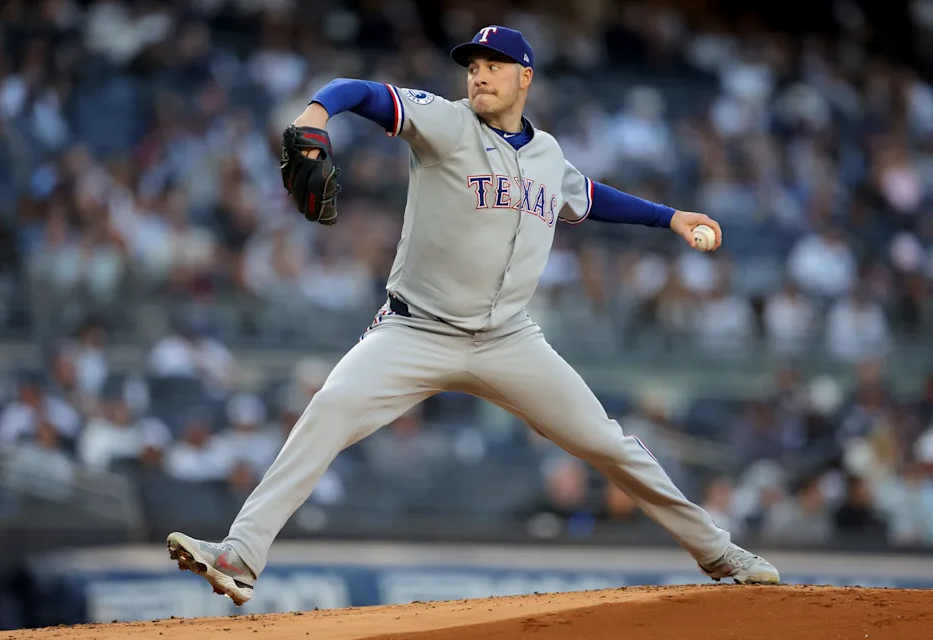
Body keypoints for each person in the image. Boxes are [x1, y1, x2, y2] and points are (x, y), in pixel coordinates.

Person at [168, 26, 779, 606]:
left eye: (494, 67)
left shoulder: (546, 154)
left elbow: (588, 196)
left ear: (525, 79)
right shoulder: (446, 124)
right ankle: (240, 557)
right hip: (416, 329)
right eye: (474, 67)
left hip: (509, 339)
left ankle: (719, 553)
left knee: (609, 444)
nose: (480, 77)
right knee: (329, 409)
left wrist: (671, 217)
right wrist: (315, 114)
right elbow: (362, 92)